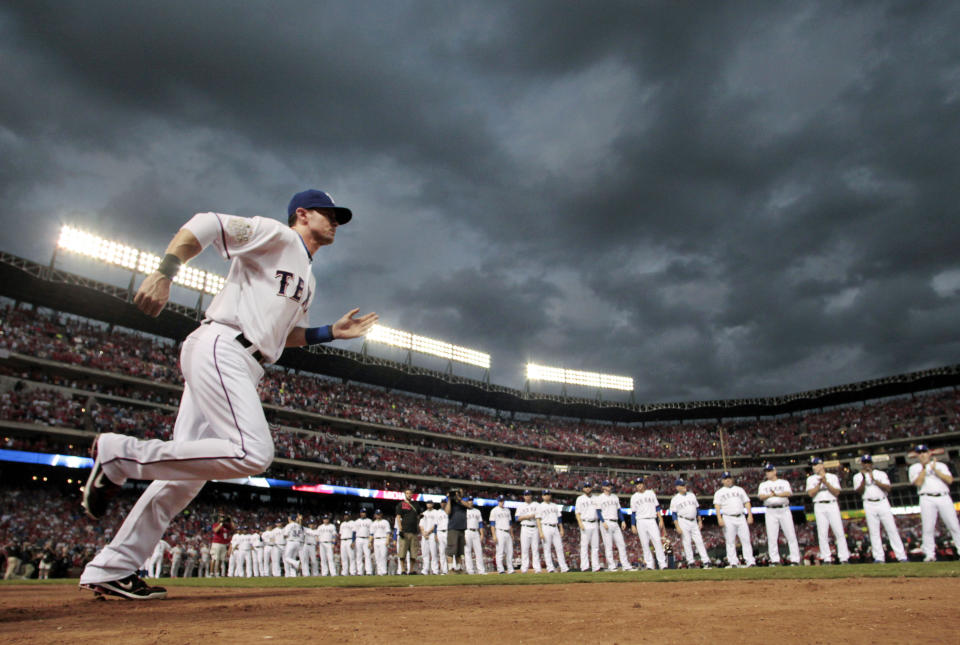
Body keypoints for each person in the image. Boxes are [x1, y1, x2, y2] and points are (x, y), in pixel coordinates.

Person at [78, 189, 377, 599]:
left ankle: (112, 568)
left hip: (244, 359)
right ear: (302, 214)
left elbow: (284, 335)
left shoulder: (308, 278)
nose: (336, 221)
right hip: (224, 346)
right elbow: (206, 223)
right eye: (329, 214)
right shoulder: (279, 236)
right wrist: (164, 272)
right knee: (253, 452)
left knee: (182, 482)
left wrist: (330, 333)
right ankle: (118, 454)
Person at [908, 444, 960, 562]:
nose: (922, 455)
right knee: (928, 528)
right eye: (919, 453)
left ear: (929, 453)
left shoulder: (941, 465)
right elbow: (918, 483)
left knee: (954, 526)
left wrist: (935, 469)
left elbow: (949, 480)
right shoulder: (914, 468)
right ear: (917, 455)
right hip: (926, 498)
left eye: (924, 452)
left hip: (944, 496)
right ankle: (930, 555)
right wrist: (925, 467)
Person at [853, 455, 907, 563]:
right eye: (865, 463)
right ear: (862, 464)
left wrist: (875, 480)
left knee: (891, 529)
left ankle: (901, 556)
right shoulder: (858, 476)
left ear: (872, 464)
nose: (867, 464)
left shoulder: (880, 474)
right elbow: (859, 491)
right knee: (874, 532)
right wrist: (864, 479)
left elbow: (888, 488)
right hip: (868, 503)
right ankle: (878, 557)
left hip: (882, 501)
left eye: (868, 462)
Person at [806, 457, 849, 564]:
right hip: (819, 505)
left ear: (822, 465)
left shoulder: (832, 477)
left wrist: (826, 482)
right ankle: (826, 558)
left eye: (815, 465)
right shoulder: (811, 479)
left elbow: (836, 492)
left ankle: (844, 558)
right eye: (813, 465)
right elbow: (811, 494)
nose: (814, 467)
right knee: (822, 533)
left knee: (839, 532)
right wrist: (820, 484)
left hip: (832, 504)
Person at [757, 463, 801, 566]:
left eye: (769, 471)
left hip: (784, 509)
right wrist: (770, 495)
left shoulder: (784, 482)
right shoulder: (763, 484)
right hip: (770, 510)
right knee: (772, 536)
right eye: (766, 471)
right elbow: (761, 497)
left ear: (775, 471)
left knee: (791, 535)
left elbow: (788, 493)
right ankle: (775, 560)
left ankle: (795, 559)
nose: (767, 473)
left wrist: (775, 494)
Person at [713, 471, 755, 568]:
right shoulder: (719, 492)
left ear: (731, 479)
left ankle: (750, 561)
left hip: (741, 516)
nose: (728, 480)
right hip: (728, 517)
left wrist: (750, 515)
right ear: (722, 481)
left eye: (729, 478)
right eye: (725, 478)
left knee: (746, 540)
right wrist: (719, 518)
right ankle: (733, 562)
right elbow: (717, 506)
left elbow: (747, 502)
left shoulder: (740, 490)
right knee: (730, 541)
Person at [668, 479, 711, 568]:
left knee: (699, 541)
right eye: (682, 485)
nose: (684, 487)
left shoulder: (692, 495)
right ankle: (690, 562)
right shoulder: (675, 499)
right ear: (677, 487)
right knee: (687, 542)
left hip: (694, 521)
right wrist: (677, 526)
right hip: (683, 521)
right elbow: (674, 514)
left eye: (684, 485)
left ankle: (706, 561)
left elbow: (697, 509)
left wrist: (700, 521)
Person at [629, 477, 666, 570]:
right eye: (637, 484)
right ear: (636, 486)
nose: (639, 485)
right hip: (640, 521)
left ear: (643, 484)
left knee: (657, 541)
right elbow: (633, 513)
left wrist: (660, 519)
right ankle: (649, 565)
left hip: (652, 520)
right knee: (645, 544)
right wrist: (633, 525)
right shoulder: (634, 497)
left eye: (640, 483)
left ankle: (663, 564)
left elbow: (657, 507)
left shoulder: (651, 493)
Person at [597, 481, 633, 571]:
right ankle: (611, 566)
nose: (609, 487)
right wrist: (602, 521)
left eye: (610, 485)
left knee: (621, 544)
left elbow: (619, 510)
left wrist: (623, 521)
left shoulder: (615, 497)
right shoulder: (600, 498)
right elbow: (598, 511)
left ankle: (625, 565)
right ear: (603, 487)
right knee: (608, 545)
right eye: (607, 485)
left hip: (615, 522)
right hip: (606, 521)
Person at [537, 490, 569, 573]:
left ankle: (564, 567)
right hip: (545, 527)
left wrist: (561, 528)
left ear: (550, 496)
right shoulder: (540, 506)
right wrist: (540, 532)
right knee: (547, 548)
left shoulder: (554, 505)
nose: (547, 496)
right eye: (545, 495)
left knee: (559, 548)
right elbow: (538, 519)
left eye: (548, 494)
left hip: (555, 527)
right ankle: (550, 568)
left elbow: (559, 518)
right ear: (542, 496)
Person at [394, 487, 422, 575]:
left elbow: (418, 516)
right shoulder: (401, 504)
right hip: (405, 531)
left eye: (410, 493)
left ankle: (411, 570)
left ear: (412, 494)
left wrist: (418, 522)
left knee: (413, 552)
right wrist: (400, 529)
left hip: (414, 531)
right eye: (407, 493)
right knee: (402, 552)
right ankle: (402, 570)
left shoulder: (416, 504)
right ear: (405, 494)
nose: (409, 495)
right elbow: (398, 517)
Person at [575, 482, 601, 572]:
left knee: (595, 546)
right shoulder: (580, 499)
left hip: (595, 522)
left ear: (591, 488)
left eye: (589, 487)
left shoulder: (596, 498)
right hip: (585, 523)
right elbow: (577, 513)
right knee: (584, 546)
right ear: (583, 489)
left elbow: (599, 511)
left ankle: (596, 567)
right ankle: (584, 567)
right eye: (585, 487)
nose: (587, 488)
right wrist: (580, 523)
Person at [515, 490, 542, 573]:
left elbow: (541, 515)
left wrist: (534, 516)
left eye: (528, 495)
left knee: (535, 549)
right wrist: (527, 517)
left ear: (531, 496)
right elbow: (516, 518)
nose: (527, 496)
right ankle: (524, 569)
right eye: (525, 495)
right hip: (525, 527)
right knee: (525, 549)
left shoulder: (537, 505)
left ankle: (537, 569)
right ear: (523, 496)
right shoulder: (521, 506)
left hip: (535, 527)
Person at [488, 495, 514, 574]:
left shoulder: (507, 510)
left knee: (510, 551)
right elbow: (492, 524)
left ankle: (510, 569)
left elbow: (510, 523)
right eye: (500, 501)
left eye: (502, 501)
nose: (502, 502)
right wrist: (494, 535)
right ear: (498, 501)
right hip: (499, 531)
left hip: (507, 532)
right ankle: (500, 569)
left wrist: (512, 533)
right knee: (500, 551)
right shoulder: (494, 510)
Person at [444, 489, 468, 573]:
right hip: (453, 528)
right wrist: (450, 499)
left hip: (462, 528)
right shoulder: (451, 502)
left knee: (460, 551)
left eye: (460, 492)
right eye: (457, 492)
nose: (458, 493)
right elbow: (447, 511)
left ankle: (458, 568)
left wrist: (459, 499)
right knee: (451, 549)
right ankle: (450, 569)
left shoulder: (463, 502)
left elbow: (469, 506)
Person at [463, 497, 486, 575]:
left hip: (476, 532)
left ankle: (481, 571)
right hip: (467, 531)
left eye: (471, 500)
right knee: (467, 551)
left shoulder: (477, 511)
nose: (470, 502)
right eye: (468, 500)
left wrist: (482, 533)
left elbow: (480, 523)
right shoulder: (463, 511)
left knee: (479, 551)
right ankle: (470, 571)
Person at [370, 509, 392, 575]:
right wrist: (370, 542)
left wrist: (387, 540)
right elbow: (371, 534)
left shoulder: (385, 522)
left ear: (381, 514)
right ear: (375, 515)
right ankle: (379, 572)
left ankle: (384, 571)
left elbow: (388, 532)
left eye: (379, 514)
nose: (378, 515)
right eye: (377, 514)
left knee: (383, 556)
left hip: (383, 539)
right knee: (377, 556)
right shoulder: (373, 523)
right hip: (376, 540)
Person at [354, 509, 373, 575]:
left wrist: (370, 541)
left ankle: (369, 571)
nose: (363, 514)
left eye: (364, 512)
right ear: (360, 513)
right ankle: (359, 572)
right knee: (359, 556)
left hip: (366, 539)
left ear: (366, 513)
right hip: (358, 538)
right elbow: (354, 532)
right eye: (362, 512)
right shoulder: (356, 521)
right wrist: (353, 541)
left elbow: (371, 532)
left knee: (367, 555)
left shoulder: (369, 521)